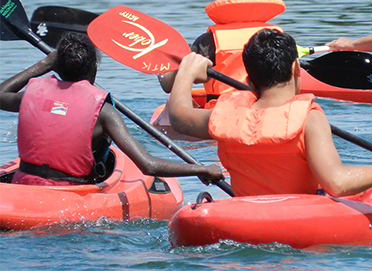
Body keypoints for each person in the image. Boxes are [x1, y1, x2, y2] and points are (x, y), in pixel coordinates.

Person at [168, 28, 372, 198]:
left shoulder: (224, 113)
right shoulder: (309, 117)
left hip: (243, 216)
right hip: (298, 225)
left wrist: (187, 72)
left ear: (249, 79)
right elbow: (337, 183)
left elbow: (179, 116)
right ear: (296, 69)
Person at [0, 33, 224, 186]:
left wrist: (44, 64)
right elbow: (148, 165)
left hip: (25, 182)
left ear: (56, 66)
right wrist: (202, 170)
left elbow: (1, 95)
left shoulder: (31, 96)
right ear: (94, 69)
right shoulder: (103, 112)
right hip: (72, 193)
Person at [158, 0, 286, 105]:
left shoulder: (208, 41)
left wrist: (161, 65)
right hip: (268, 111)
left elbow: (168, 85)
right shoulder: (279, 38)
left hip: (219, 116)